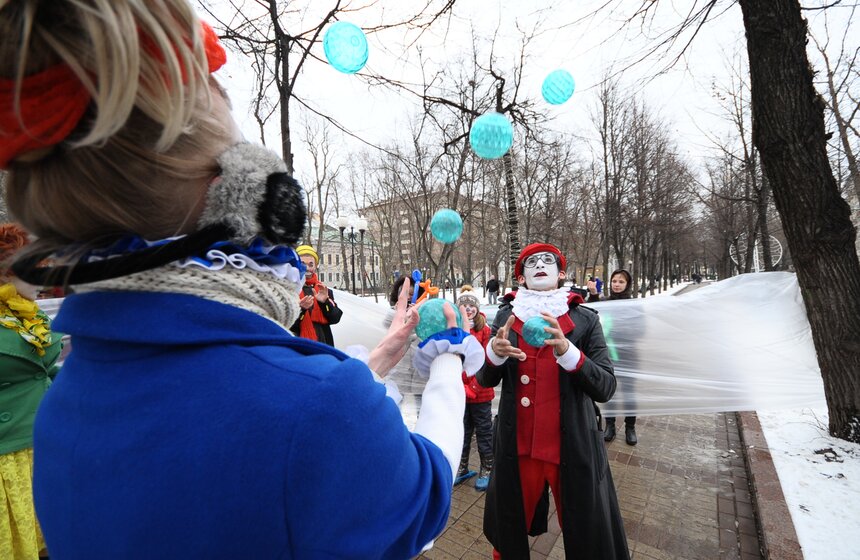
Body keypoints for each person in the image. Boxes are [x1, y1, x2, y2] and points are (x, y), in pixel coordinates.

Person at [0, 3, 483, 557]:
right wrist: (445, 353)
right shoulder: (318, 409)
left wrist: (362, 371)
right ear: (252, 196)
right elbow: (428, 491)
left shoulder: (66, 398)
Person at [479, 243, 629, 559]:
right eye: (531, 262)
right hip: (518, 449)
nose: (540, 265)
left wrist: (569, 353)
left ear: (561, 274)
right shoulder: (507, 315)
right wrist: (494, 352)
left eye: (548, 261)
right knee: (508, 533)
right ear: (521, 277)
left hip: (571, 447)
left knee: (588, 535)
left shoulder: (585, 320)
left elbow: (606, 387)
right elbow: (485, 380)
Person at [0, 223, 63, 560]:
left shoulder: (27, 314)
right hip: (4, 454)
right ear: (8, 274)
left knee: (45, 540)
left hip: (40, 444)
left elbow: (46, 371)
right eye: (36, 272)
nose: (44, 282)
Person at [588, 269, 638, 445]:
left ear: (628, 284)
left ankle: (630, 427)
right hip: (607, 356)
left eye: (621, 281)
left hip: (628, 356)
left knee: (629, 393)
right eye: (614, 281)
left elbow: (641, 330)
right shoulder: (605, 302)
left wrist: (620, 332)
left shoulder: (634, 305)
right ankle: (610, 424)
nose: (616, 284)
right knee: (609, 391)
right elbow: (591, 314)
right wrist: (593, 295)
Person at [454, 286, 494, 491]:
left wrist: (474, 387)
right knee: (463, 431)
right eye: (464, 305)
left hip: (481, 392)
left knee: (484, 431)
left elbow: (487, 361)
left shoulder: (485, 330)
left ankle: (487, 467)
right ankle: (461, 467)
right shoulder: (455, 330)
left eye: (472, 306)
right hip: (461, 393)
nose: (468, 309)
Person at [290, 244, 342, 346]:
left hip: (324, 345)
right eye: (302, 264)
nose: (307, 268)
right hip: (298, 345)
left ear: (315, 266)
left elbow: (335, 319)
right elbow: (289, 325)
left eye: (311, 264)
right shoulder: (291, 290)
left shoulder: (323, 289)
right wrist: (302, 309)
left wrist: (325, 302)